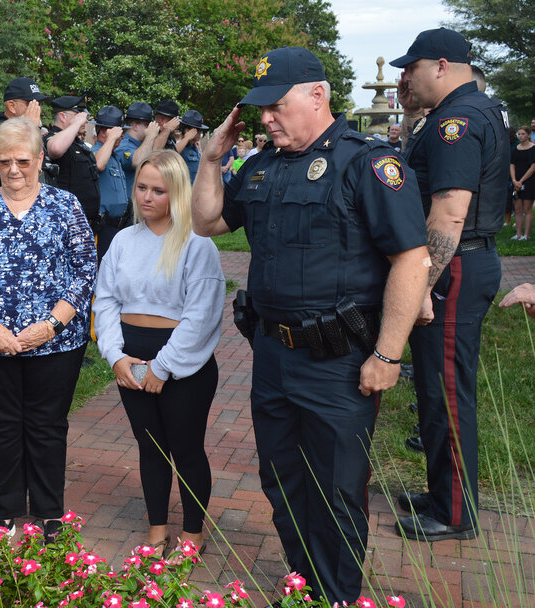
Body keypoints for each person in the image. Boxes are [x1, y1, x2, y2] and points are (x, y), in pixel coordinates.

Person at [191, 46, 429, 603]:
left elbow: (411, 259)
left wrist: (389, 354)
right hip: (274, 357)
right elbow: (206, 222)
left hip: (339, 362)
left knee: (337, 491)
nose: (266, 118)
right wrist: (209, 159)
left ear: (317, 95)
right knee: (282, 480)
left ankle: (337, 596)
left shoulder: (365, 163)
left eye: (277, 105)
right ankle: (306, 585)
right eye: (260, 110)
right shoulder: (262, 165)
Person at [0, 117, 97, 542]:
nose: (14, 170)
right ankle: (5, 512)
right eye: (5, 161)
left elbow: (85, 271)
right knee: (3, 426)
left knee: (48, 426)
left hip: (56, 342)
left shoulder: (65, 206)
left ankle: (50, 513)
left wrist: (51, 325)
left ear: (41, 159)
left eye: (23, 161)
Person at [391, 27, 510, 542]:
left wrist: (420, 286)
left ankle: (455, 511)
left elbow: (448, 215)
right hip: (461, 265)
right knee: (436, 391)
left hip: (454, 267)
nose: (404, 78)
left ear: (440, 65)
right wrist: (413, 116)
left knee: (446, 395)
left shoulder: (456, 123)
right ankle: (442, 491)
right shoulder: (466, 111)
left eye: (411, 68)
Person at [94, 149, 224, 561]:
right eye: (142, 188)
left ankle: (192, 532)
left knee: (185, 449)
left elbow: (201, 314)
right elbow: (106, 301)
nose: (147, 197)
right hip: (131, 361)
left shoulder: (196, 243)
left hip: (183, 364)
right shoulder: (122, 241)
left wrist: (163, 367)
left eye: (159, 191)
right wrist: (115, 356)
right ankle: (157, 528)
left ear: (178, 194)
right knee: (149, 448)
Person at [0, 77, 50, 190]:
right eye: (31, 103)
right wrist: (26, 128)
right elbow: (3, 168)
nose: (36, 109)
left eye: (38, 104)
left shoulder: (33, 130)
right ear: (12, 106)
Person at [45, 95, 101, 231]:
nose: (84, 119)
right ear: (63, 116)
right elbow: (56, 149)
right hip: (68, 223)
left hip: (87, 222)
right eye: (79, 114)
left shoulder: (77, 143)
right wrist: (76, 124)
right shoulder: (53, 138)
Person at [90, 106, 129, 262]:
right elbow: (98, 164)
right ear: (105, 132)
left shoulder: (113, 156)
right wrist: (111, 137)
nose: (122, 135)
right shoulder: (95, 152)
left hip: (117, 226)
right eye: (119, 132)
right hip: (103, 227)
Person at [115, 102, 159, 201]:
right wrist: (150, 136)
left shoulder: (142, 145)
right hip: (129, 206)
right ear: (135, 126)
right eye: (147, 125)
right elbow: (138, 161)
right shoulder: (124, 145)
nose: (150, 128)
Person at [510, 126, 535, 240]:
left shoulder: (533, 149)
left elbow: (533, 168)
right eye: (519, 134)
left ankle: (526, 235)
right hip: (516, 182)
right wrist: (515, 180)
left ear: (529, 135)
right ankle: (518, 234)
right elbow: (512, 165)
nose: (520, 136)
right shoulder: (516, 149)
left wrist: (521, 181)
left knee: (527, 208)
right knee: (518, 209)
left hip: (529, 181)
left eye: (523, 134)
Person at [175, 110, 208, 184]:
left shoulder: (195, 147)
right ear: (187, 130)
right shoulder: (181, 147)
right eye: (197, 131)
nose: (199, 134)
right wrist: (187, 138)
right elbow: (172, 153)